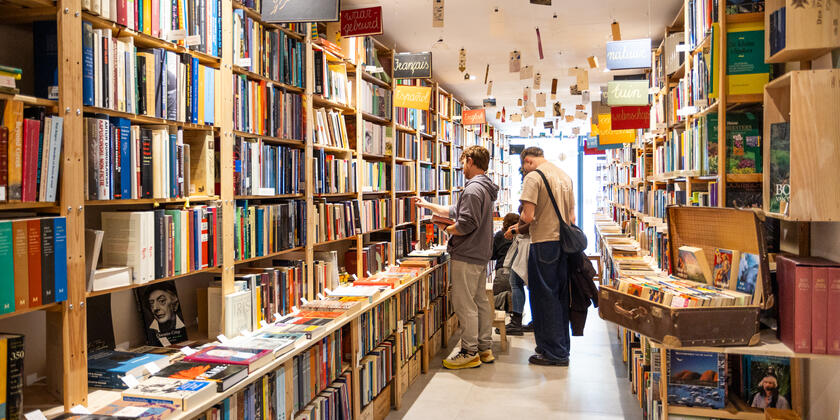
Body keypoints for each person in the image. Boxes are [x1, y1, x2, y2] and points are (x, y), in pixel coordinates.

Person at [415, 145, 499, 370]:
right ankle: (484, 347)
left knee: (464, 304)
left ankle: (469, 351)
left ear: (470, 161)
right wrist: (429, 205)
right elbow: (458, 210)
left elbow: (466, 223)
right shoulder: (484, 188)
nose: (462, 168)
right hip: (480, 254)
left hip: (467, 253)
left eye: (463, 163)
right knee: (480, 300)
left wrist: (446, 229)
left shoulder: (472, 189)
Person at [515, 146, 576, 366]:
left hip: (543, 243)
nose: (523, 171)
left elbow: (528, 216)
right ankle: (561, 347)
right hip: (563, 245)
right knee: (559, 297)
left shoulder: (533, 177)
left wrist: (517, 226)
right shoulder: (564, 175)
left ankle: (553, 353)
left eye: (523, 167)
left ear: (528, 161)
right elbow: (572, 217)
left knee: (543, 298)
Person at [501, 206, 531, 335]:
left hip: (529, 245)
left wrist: (515, 230)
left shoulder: (534, 198)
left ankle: (516, 322)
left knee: (515, 282)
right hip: (528, 245)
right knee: (525, 284)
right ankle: (532, 320)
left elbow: (532, 223)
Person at [491, 213, 519, 310]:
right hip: (517, 272)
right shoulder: (521, 236)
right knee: (515, 305)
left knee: (491, 302)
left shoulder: (500, 235)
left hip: (502, 272)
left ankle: (504, 298)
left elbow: (492, 255)